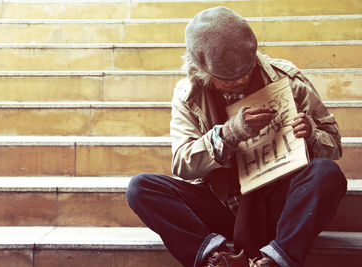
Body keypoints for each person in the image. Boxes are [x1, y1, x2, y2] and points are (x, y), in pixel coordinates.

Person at [126, 6, 347, 267]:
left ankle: (275, 261)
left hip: (280, 202)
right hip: (222, 205)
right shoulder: (187, 95)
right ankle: (217, 259)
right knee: (140, 187)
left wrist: (310, 133)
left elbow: (334, 146)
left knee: (326, 173)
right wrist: (229, 134)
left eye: (247, 71)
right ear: (203, 73)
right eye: (228, 80)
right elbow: (183, 163)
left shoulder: (288, 78)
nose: (241, 80)